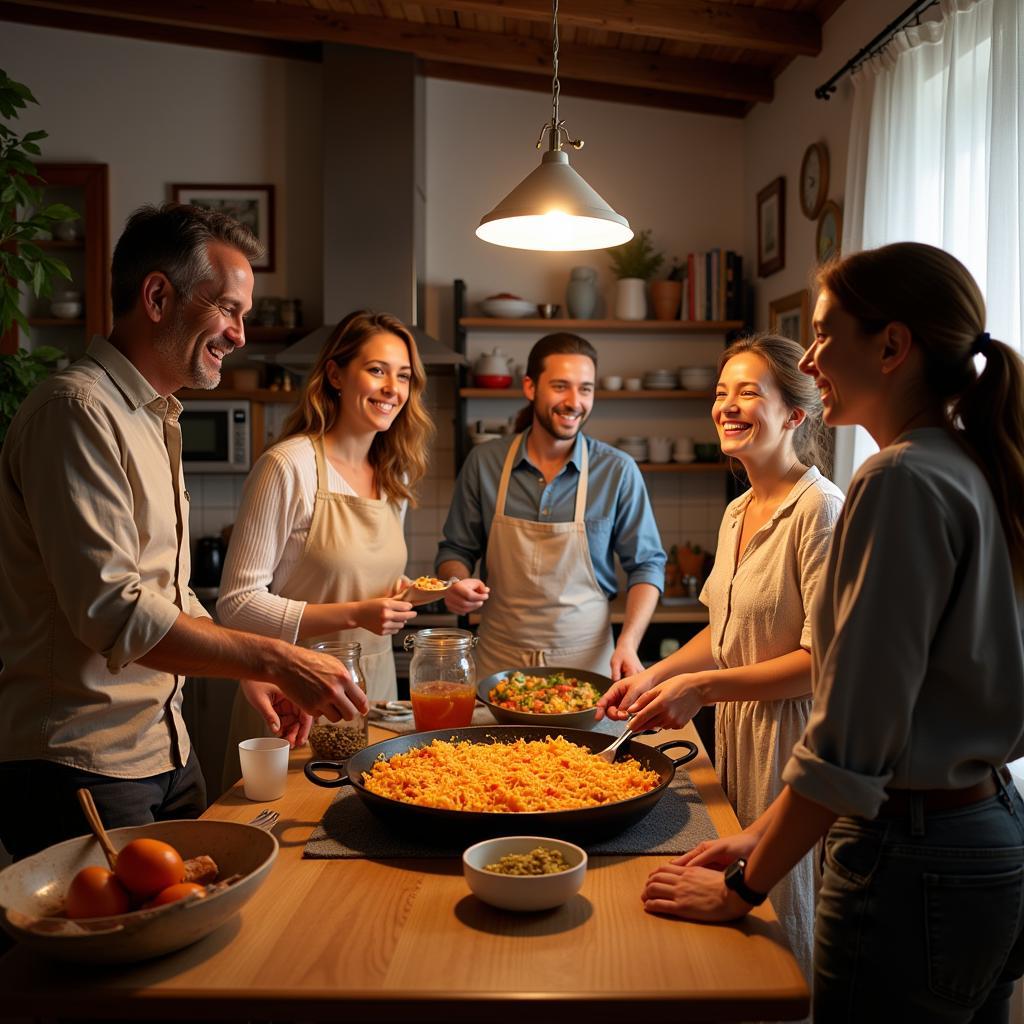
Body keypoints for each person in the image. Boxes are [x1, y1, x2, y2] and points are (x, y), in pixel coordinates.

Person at [641, 242, 1024, 1021]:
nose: (812, 357)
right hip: (984, 830)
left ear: (891, 346)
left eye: (823, 333)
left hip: (911, 853)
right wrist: (756, 838)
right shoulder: (969, 464)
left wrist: (745, 883)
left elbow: (850, 736)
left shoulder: (896, 479)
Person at [0, 203, 367, 861]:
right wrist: (274, 657)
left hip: (162, 749)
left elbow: (166, 592)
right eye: (228, 308)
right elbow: (115, 613)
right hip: (83, 766)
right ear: (159, 296)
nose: (239, 334)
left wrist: (247, 676)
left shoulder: (153, 417)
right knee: (125, 962)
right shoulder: (76, 412)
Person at [598, 333, 842, 983]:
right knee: (723, 934)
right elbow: (722, 628)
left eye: (748, 394)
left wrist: (703, 690)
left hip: (794, 751)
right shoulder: (738, 510)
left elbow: (824, 661)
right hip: (738, 738)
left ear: (796, 414)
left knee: (778, 939)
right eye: (720, 393)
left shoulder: (820, 511)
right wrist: (651, 676)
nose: (727, 406)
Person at [217, 310, 432, 750]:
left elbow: (368, 586)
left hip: (376, 689)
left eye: (405, 377)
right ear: (335, 374)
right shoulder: (288, 466)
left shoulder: (395, 475)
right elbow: (236, 605)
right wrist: (356, 613)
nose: (393, 389)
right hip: (293, 693)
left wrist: (414, 593)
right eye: (377, 371)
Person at [437, 332, 666, 680]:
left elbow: (648, 565)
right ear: (530, 387)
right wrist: (455, 582)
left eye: (585, 389)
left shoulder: (617, 471)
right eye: (561, 386)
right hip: (498, 663)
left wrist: (629, 643)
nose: (575, 401)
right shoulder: (484, 463)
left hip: (588, 665)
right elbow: (455, 550)